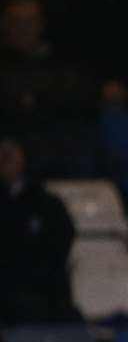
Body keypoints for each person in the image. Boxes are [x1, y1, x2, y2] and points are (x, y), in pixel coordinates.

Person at [0, 0, 99, 179]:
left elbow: (80, 103)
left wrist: (34, 100)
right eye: (16, 22)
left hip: (57, 149)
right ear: (4, 24)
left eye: (30, 21)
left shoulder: (65, 61)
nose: (24, 28)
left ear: (41, 23)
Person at [0, 133, 76, 328]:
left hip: (42, 298)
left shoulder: (47, 204)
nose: (5, 160)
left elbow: (60, 247)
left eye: (9, 154)